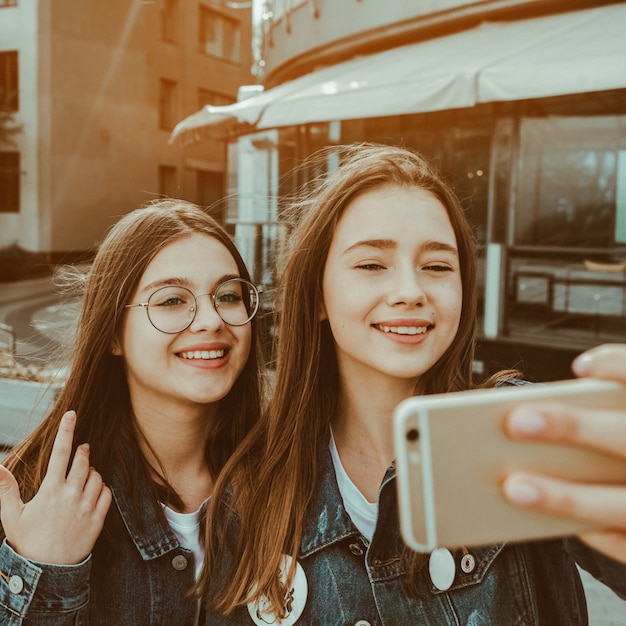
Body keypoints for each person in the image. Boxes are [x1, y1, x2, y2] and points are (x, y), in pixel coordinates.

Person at [201, 144, 626, 625]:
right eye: (371, 265)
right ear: (317, 296)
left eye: (438, 266)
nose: (410, 292)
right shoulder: (253, 490)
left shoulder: (520, 432)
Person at [0, 199, 264, 624]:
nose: (211, 320)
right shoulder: (37, 498)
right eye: (172, 300)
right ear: (113, 335)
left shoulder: (291, 478)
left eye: (228, 295)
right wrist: (44, 571)